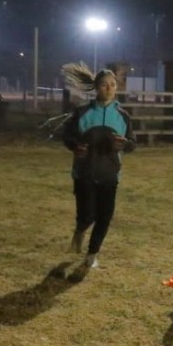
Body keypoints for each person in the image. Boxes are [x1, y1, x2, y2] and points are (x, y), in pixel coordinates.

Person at [61, 63, 137, 268]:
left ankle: (92, 254)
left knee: (104, 216)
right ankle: (80, 229)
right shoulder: (82, 112)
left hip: (110, 175)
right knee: (87, 215)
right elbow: (67, 136)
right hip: (84, 173)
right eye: (104, 85)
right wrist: (75, 146)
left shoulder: (123, 116)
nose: (109, 88)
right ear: (96, 87)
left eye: (113, 85)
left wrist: (124, 144)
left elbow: (132, 143)